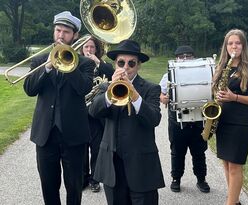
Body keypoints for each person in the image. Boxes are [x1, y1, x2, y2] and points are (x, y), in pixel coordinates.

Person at [23, 11, 94, 205]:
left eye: (66, 32)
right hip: (45, 136)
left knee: (74, 187)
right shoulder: (40, 61)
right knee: (48, 186)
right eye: (58, 30)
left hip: (74, 136)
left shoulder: (85, 63)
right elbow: (29, 89)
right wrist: (47, 68)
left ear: (75, 35)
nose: (61, 35)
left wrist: (68, 65)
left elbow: (83, 88)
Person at [89, 39, 165, 205]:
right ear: (115, 64)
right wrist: (110, 91)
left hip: (141, 167)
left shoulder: (151, 89)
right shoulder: (106, 87)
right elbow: (94, 112)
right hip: (112, 166)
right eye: (121, 62)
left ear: (138, 66)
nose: (126, 68)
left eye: (131, 63)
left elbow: (154, 119)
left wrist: (134, 94)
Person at [214, 29, 248, 205]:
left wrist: (234, 97)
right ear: (225, 46)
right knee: (226, 164)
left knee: (235, 166)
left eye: (237, 43)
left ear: (243, 46)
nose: (233, 46)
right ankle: (234, 201)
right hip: (223, 121)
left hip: (241, 123)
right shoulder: (221, 66)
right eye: (230, 43)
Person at [159, 45, 210, 193]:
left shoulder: (203, 73)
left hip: (198, 119)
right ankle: (176, 179)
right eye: (182, 56)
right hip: (177, 121)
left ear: (193, 58)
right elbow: (160, 93)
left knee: (199, 152)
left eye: (188, 56)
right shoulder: (168, 75)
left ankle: (201, 179)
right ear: (176, 58)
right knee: (177, 152)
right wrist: (163, 97)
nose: (185, 58)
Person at [80, 35, 114, 192]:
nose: (88, 50)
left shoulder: (103, 65)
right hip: (79, 111)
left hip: (96, 112)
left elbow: (112, 75)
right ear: (81, 48)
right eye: (86, 47)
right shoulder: (75, 62)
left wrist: (98, 62)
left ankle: (94, 178)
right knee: (80, 146)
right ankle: (82, 177)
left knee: (95, 146)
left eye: (91, 47)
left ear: (96, 49)